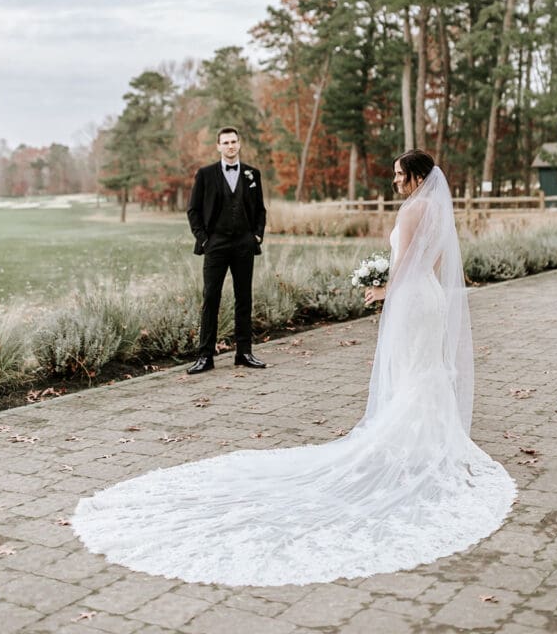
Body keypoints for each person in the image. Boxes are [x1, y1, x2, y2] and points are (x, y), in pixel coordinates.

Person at [72, 151, 516, 587]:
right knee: (423, 370)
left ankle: (411, 448)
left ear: (417, 178)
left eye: (400, 175)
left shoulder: (413, 210)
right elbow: (431, 266)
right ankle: (430, 445)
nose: (395, 182)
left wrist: (383, 292)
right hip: (429, 298)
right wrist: (400, 288)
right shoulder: (435, 210)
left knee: (410, 373)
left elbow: (404, 267)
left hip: (411, 300)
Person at [186, 126, 267, 372]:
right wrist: (204, 240)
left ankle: (244, 353)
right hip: (216, 245)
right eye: (226, 142)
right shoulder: (205, 174)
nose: (230, 146)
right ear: (218, 146)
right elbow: (193, 211)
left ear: (239, 144)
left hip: (244, 244)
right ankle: (205, 357)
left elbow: (260, 210)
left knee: (244, 298)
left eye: (234, 141)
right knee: (211, 298)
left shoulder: (252, 174)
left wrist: (257, 236)